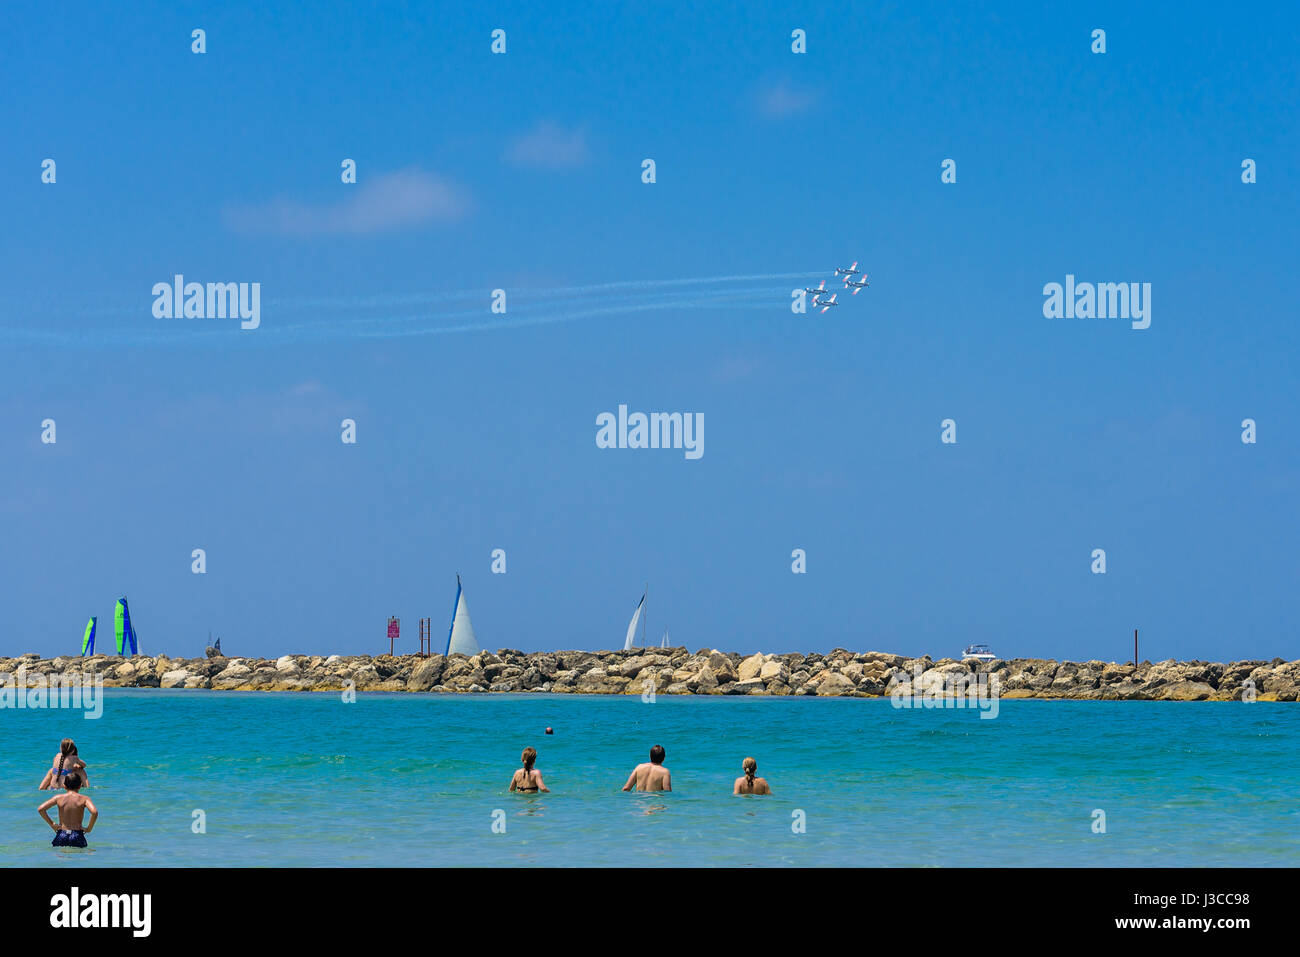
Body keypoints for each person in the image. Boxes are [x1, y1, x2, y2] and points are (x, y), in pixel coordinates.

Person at [38, 771, 97, 848]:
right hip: (77, 834)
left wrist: (52, 824)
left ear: (64, 786)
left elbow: (41, 809)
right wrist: (89, 828)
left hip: (62, 834)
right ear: (80, 786)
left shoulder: (58, 798)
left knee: (60, 858)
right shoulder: (84, 799)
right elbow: (94, 812)